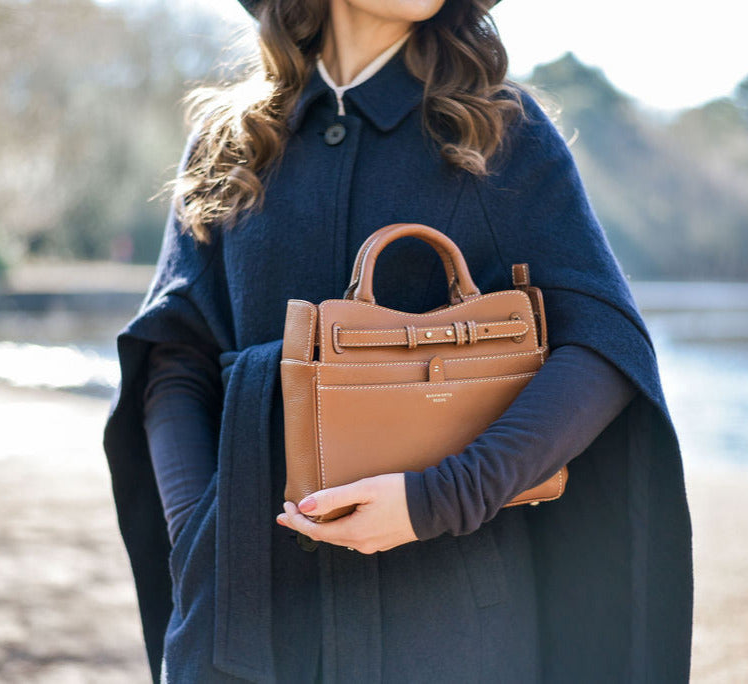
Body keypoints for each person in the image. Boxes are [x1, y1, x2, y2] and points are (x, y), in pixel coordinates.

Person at [103, 1, 694, 682]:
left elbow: (602, 342)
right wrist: (201, 529)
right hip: (245, 622)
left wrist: (438, 498)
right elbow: (175, 355)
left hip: (446, 623)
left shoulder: (500, 130)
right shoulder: (229, 141)